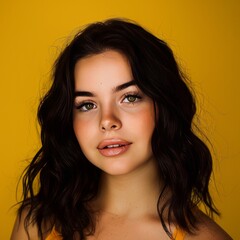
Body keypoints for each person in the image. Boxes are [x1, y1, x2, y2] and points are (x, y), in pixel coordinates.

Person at [11, 18, 232, 240]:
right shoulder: (37, 223)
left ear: (165, 106)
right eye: (87, 105)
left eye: (130, 97)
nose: (107, 121)